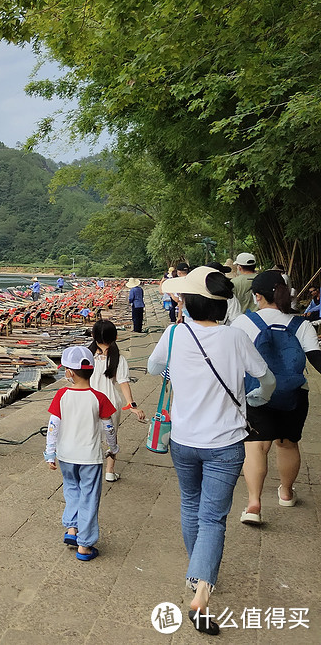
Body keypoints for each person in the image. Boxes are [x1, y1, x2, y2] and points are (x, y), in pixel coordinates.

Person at [147, 266, 275, 634]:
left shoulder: (174, 333)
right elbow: (267, 379)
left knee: (190, 503)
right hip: (226, 443)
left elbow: (156, 367)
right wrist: (256, 397)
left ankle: (197, 571)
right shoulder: (236, 338)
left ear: (189, 303)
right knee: (213, 517)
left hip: (183, 440)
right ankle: (201, 590)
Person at [231, 269, 321, 525]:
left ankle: (253, 504)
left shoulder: (243, 323)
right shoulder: (301, 324)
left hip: (256, 394)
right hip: (294, 395)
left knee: (256, 447)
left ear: (257, 295)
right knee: (288, 444)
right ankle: (286, 492)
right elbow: (316, 359)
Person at [45, 345, 119, 561]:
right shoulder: (99, 397)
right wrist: (113, 448)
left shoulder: (61, 395)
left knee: (71, 490)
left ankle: (71, 528)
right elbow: (109, 427)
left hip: (66, 455)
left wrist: (50, 453)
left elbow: (53, 426)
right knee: (89, 497)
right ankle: (85, 545)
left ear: (69, 372)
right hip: (90, 458)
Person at [88, 319, 145, 481]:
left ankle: (91, 470)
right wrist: (132, 405)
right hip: (110, 402)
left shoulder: (87, 355)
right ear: (115, 337)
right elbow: (124, 384)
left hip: (89, 400)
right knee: (112, 436)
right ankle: (110, 471)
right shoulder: (118, 359)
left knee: (90, 436)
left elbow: (74, 379)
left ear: (93, 336)